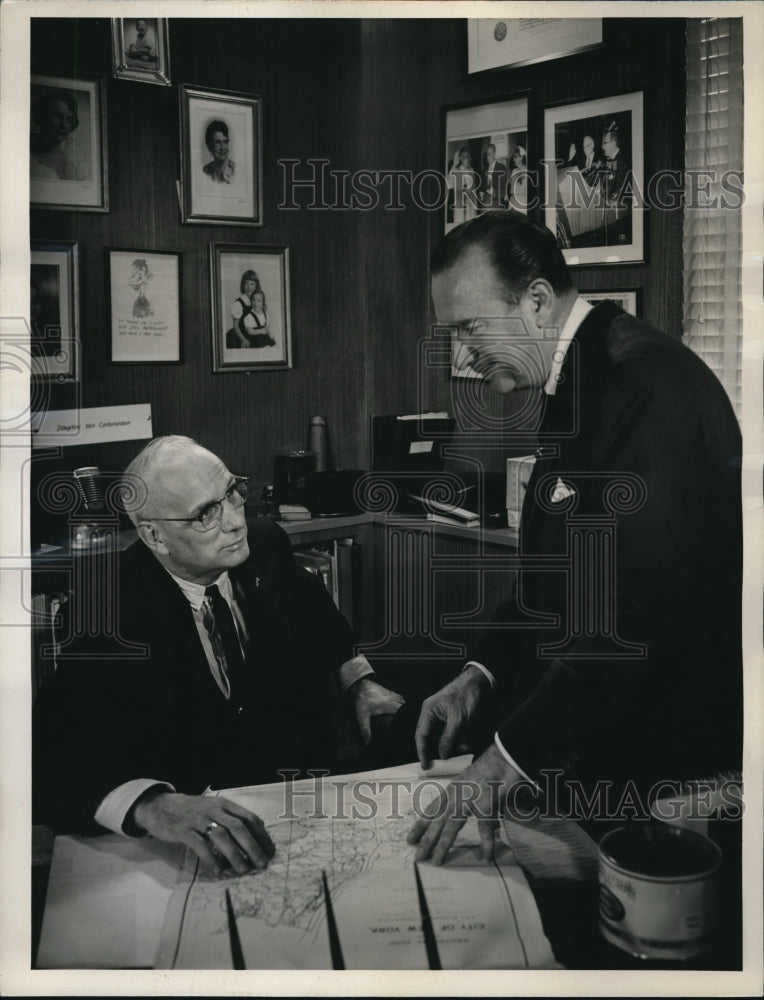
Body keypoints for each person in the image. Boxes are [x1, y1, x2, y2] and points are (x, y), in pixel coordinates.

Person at [405, 212, 742, 864]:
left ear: (535, 301)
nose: (463, 353)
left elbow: (632, 621)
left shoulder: (643, 390)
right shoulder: (586, 377)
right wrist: (480, 672)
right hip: (605, 746)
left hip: (660, 769)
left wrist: (506, 759)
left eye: (470, 328)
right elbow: (552, 577)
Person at [33, 436, 404, 872]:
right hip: (189, 849)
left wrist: (359, 683)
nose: (234, 521)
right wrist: (154, 805)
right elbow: (55, 759)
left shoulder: (265, 547)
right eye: (205, 513)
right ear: (155, 535)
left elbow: (319, 622)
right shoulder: (104, 613)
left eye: (232, 492)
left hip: (293, 812)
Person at [30, 89, 87, 182]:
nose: (64, 125)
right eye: (57, 116)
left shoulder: (74, 166)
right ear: (42, 116)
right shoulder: (25, 154)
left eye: (68, 119)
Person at [227, 270, 271, 349]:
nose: (249, 287)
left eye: (252, 284)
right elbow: (235, 326)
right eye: (246, 283)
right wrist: (243, 340)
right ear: (242, 285)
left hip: (254, 334)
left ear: (256, 286)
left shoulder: (257, 300)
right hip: (241, 335)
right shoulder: (239, 303)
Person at [447, 145, 479, 225]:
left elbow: (473, 191)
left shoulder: (471, 171)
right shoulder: (455, 170)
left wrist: (475, 209)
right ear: (460, 158)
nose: (468, 159)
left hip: (470, 208)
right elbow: (449, 185)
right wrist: (454, 165)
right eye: (466, 156)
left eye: (469, 156)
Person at [202, 120, 235, 184]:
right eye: (218, 143)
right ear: (209, 146)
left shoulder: (236, 171)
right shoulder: (205, 171)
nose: (222, 148)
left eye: (225, 142)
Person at [479, 143, 508, 211]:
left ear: (494, 154)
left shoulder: (501, 168)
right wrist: (481, 193)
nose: (487, 157)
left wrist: (494, 191)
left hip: (497, 206)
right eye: (487, 154)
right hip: (485, 206)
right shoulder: (484, 170)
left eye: (489, 154)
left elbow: (504, 191)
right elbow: (483, 188)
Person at [508, 145, 528, 211]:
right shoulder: (514, 171)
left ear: (521, 157)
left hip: (522, 201)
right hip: (512, 201)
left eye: (516, 157)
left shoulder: (526, 171)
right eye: (514, 157)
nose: (514, 159)